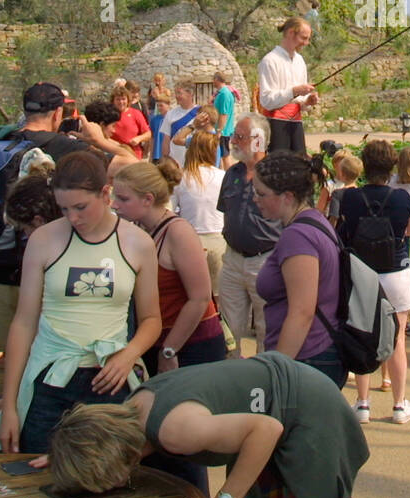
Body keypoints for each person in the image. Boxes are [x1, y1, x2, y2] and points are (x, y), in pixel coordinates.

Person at [0, 151, 161, 454]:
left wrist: (129, 355)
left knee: (104, 474)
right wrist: (10, 404)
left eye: (81, 207)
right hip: (51, 377)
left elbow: (151, 319)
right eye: (64, 209)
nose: (73, 218)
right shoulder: (43, 240)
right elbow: (24, 322)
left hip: (109, 376)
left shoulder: (139, 243)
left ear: (105, 193)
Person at [45, 352, 368, 498]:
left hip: (308, 411)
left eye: (104, 481)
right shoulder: (134, 406)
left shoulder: (175, 429)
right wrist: (69, 452)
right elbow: (90, 434)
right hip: (279, 402)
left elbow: (265, 430)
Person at [0, 82, 123, 352]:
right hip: (45, 276)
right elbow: (132, 167)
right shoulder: (67, 149)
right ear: (58, 114)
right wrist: (99, 141)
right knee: (41, 362)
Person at [111, 159, 226, 374]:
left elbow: (200, 298)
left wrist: (169, 350)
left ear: (148, 199)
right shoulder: (137, 229)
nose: (114, 204)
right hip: (156, 342)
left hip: (192, 345)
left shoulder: (178, 232)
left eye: (123, 198)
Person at [337, 139, 410, 425]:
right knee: (396, 339)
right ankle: (399, 405)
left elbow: (341, 230)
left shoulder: (350, 198)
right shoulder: (401, 199)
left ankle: (362, 403)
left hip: (362, 274)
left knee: (361, 333)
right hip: (395, 273)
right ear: (392, 166)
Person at [252, 152, 346, 388]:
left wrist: (278, 370)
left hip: (307, 358)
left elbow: (302, 313)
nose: (255, 199)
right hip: (314, 355)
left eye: (261, 193)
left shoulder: (297, 237)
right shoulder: (315, 220)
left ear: (287, 196)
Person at [218, 114, 283, 357]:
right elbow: (226, 211)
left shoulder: (275, 176)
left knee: (267, 329)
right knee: (229, 328)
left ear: (258, 140)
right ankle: (233, 377)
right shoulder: (232, 173)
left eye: (240, 136)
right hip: (232, 260)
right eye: (234, 135)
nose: (233, 140)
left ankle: (264, 380)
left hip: (265, 261)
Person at [172, 130, 227, 301]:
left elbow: (173, 211)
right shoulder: (223, 176)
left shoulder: (182, 178)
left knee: (194, 298)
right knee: (219, 299)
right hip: (219, 237)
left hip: (192, 240)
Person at [258, 16, 318, 154]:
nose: (306, 43)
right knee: (279, 169)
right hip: (275, 124)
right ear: (291, 33)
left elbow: (300, 101)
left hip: (296, 124)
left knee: (299, 165)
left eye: (308, 39)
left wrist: (308, 101)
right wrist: (294, 91)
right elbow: (267, 100)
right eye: (303, 38)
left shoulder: (300, 61)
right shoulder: (270, 61)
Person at [211, 71, 237, 161]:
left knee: (225, 156)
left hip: (224, 131)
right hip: (223, 130)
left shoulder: (224, 94)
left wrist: (219, 131)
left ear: (217, 79)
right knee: (220, 155)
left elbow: (223, 114)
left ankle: (229, 174)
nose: (213, 82)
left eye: (213, 79)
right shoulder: (222, 93)